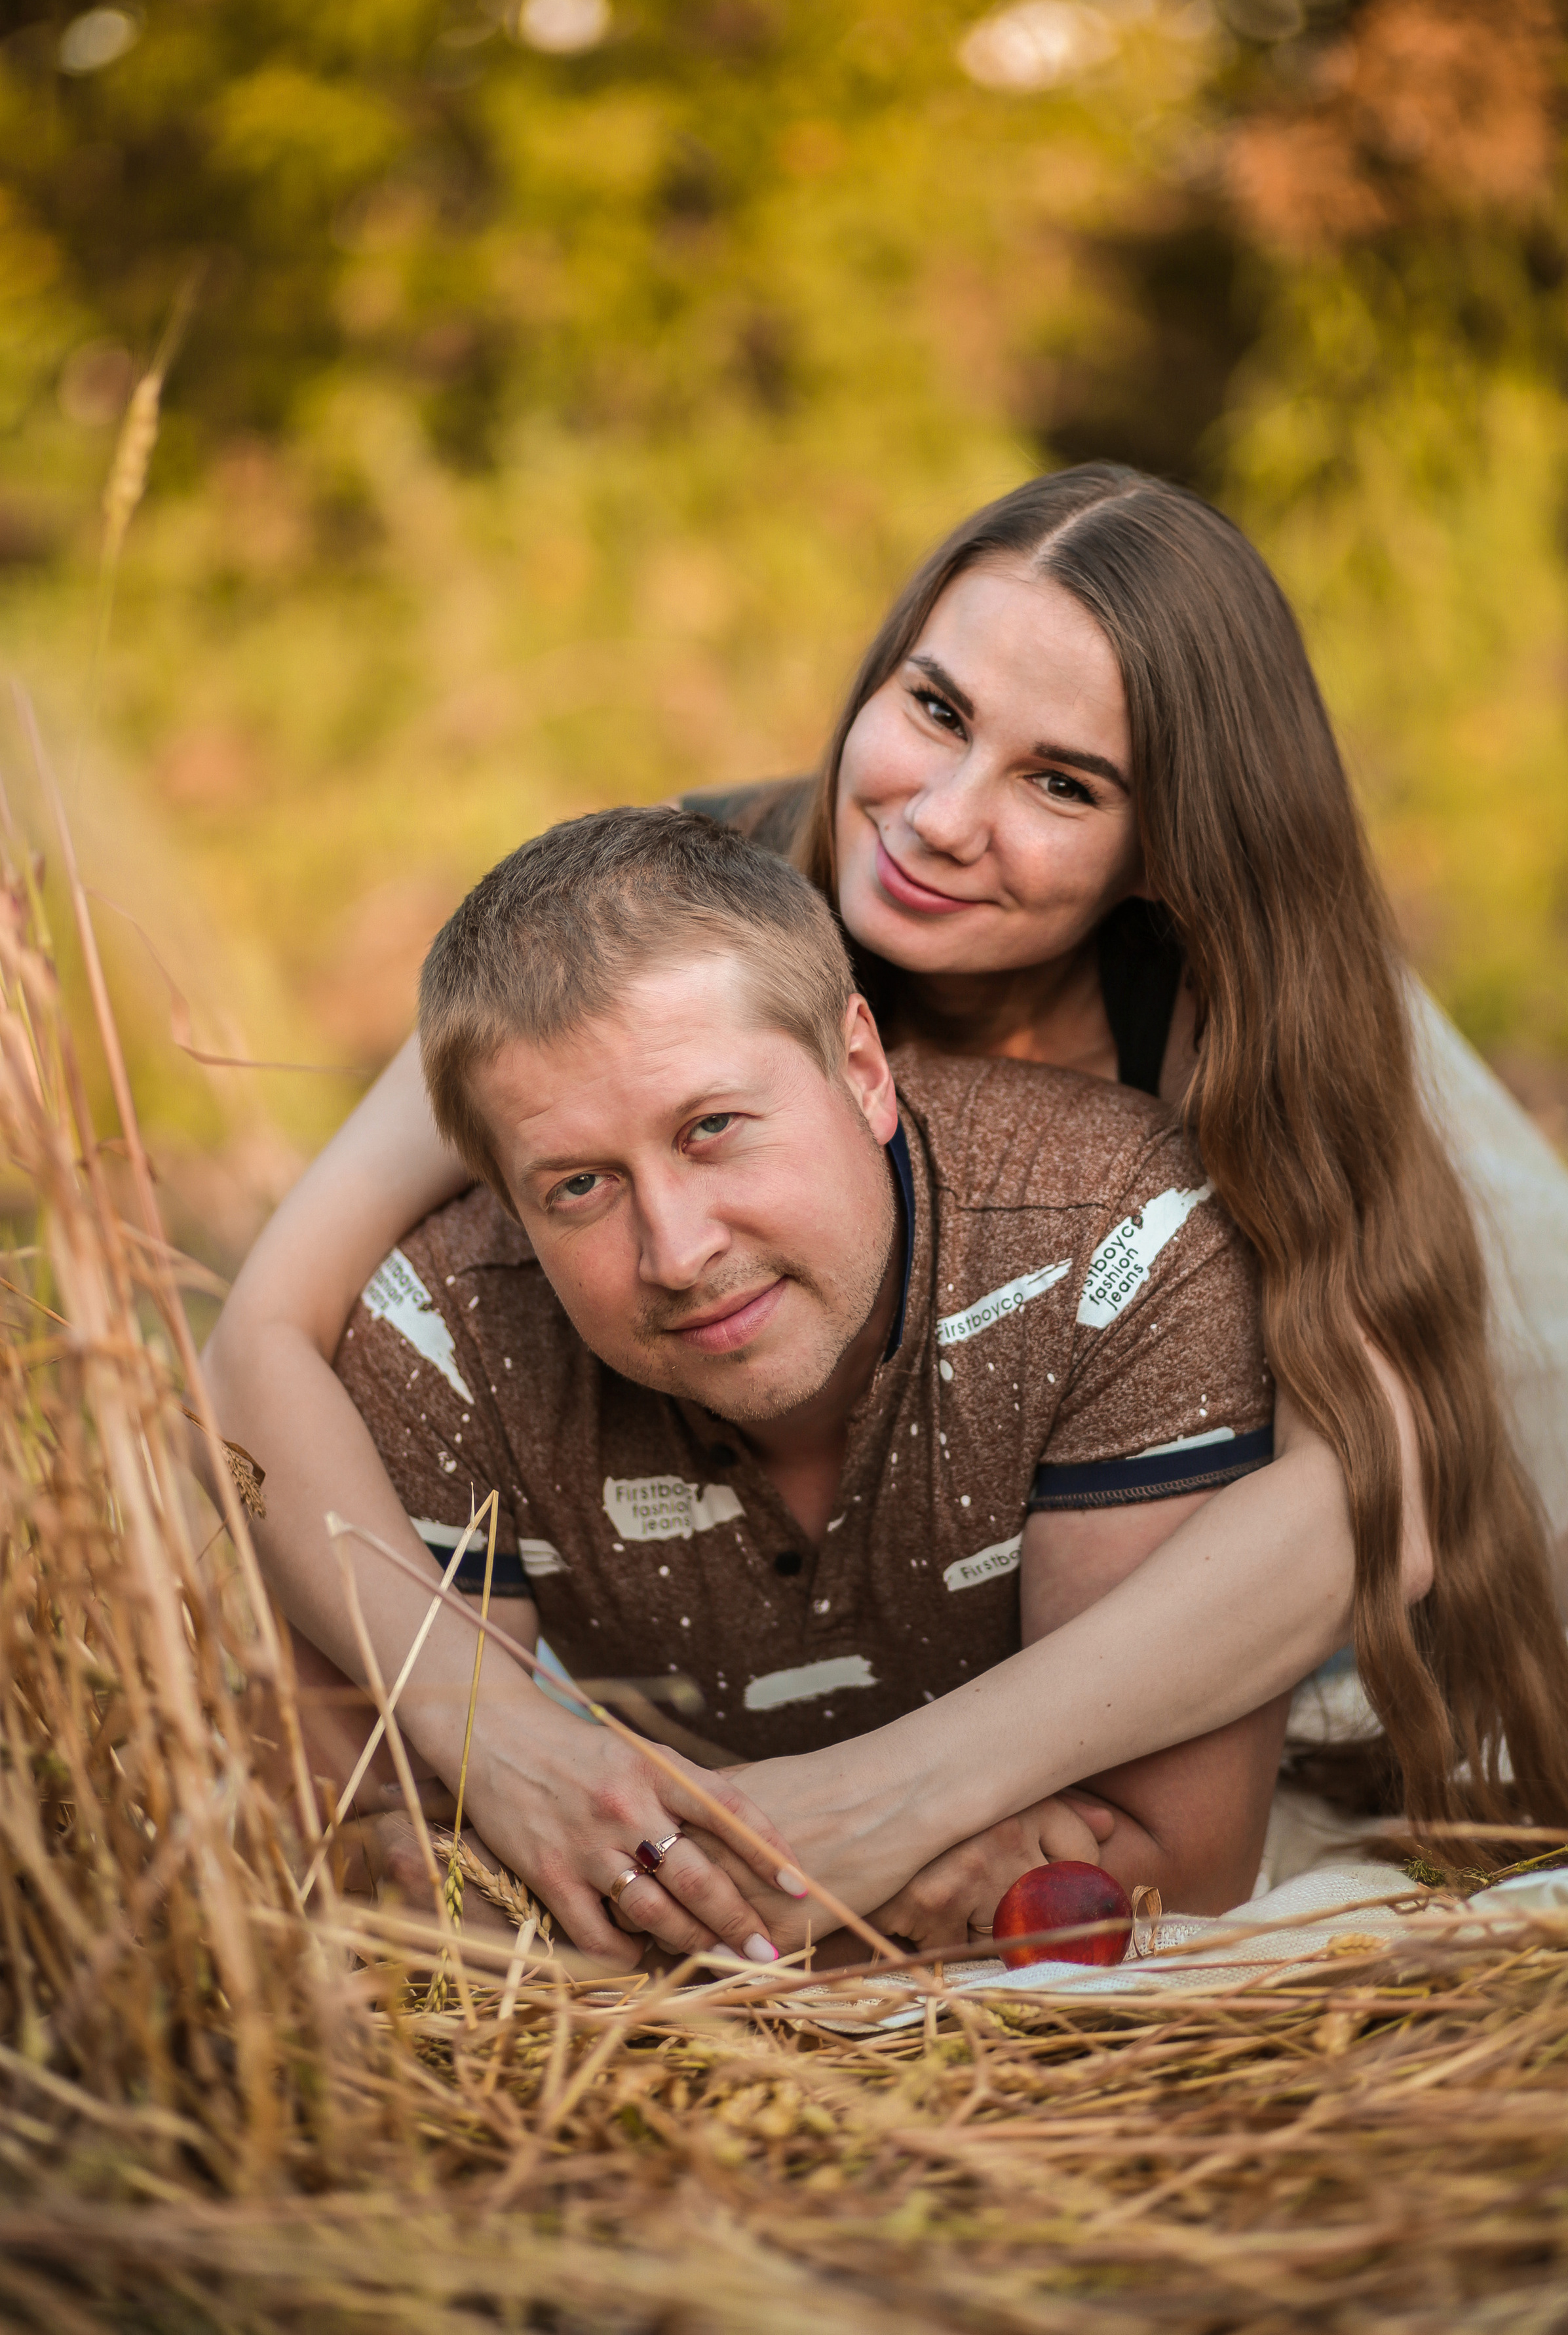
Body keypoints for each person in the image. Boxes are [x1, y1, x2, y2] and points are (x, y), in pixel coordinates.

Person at [204, 466, 1568, 1933]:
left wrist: (906, 1788)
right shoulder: (671, 930)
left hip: (1263, 1491)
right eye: (935, 709)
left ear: (1167, 844)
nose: (942, 817)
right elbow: (260, 1334)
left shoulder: (1222, 1009)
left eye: (1059, 782)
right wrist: (485, 1729)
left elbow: (1371, 1492)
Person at [290, 805, 1299, 1959]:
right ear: (507, 1203)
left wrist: (647, 1885)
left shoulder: (1115, 1241)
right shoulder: (444, 1331)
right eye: (578, 1187)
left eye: (714, 1127)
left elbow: (1174, 1866)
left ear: (862, 1071)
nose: (677, 1252)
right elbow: (394, 1866)